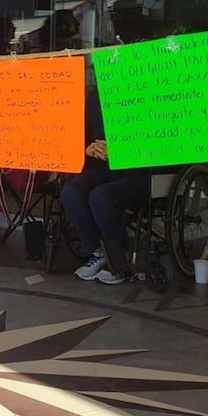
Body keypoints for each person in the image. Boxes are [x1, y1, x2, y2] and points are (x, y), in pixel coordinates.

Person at [60, 83, 147, 285]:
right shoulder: (95, 96)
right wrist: (87, 149)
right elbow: (79, 134)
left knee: (101, 196)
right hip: (101, 167)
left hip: (140, 170)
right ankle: (99, 253)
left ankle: (118, 261)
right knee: (71, 192)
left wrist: (119, 150)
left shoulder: (148, 89)